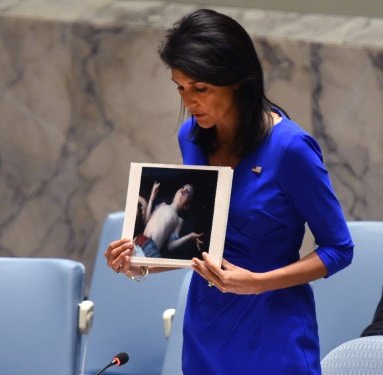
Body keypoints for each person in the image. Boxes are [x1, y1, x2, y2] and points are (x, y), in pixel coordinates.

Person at [104, 8, 354, 374]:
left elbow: (339, 248)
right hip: (206, 329)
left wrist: (257, 284)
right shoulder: (190, 137)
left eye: (201, 89)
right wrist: (138, 263)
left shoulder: (290, 149)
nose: (189, 102)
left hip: (274, 332)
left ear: (236, 80)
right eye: (181, 88)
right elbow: (202, 247)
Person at [134, 182, 203, 258]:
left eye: (188, 191)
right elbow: (146, 221)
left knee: (144, 268)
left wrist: (189, 236)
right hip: (140, 240)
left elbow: (170, 246)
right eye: (183, 187)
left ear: (187, 206)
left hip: (151, 248)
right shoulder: (161, 205)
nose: (184, 190)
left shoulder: (178, 220)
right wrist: (151, 199)